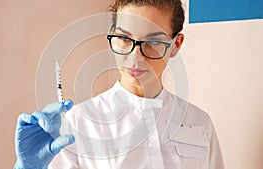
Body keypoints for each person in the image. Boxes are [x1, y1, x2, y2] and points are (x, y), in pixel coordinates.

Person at [14, 0, 225, 168]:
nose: (136, 58)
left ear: (175, 45)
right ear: (113, 34)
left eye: (153, 42)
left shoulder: (200, 122)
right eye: (124, 38)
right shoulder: (77, 125)